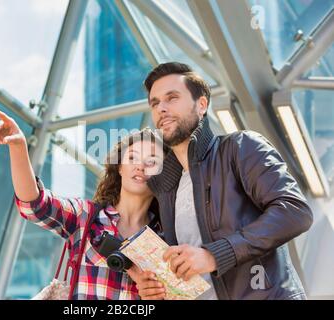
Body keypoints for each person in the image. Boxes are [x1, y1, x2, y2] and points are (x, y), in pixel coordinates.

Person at [127, 62, 313, 300]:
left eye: (172, 98)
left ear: (201, 104)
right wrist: (156, 288)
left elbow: (295, 211)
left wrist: (215, 255)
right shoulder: (164, 187)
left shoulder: (241, 147)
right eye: (155, 103)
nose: (161, 108)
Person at [0, 106, 165, 300]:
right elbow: (35, 205)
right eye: (133, 157)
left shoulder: (166, 239)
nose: (140, 166)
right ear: (120, 167)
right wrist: (19, 147)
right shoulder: (85, 216)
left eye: (152, 162)